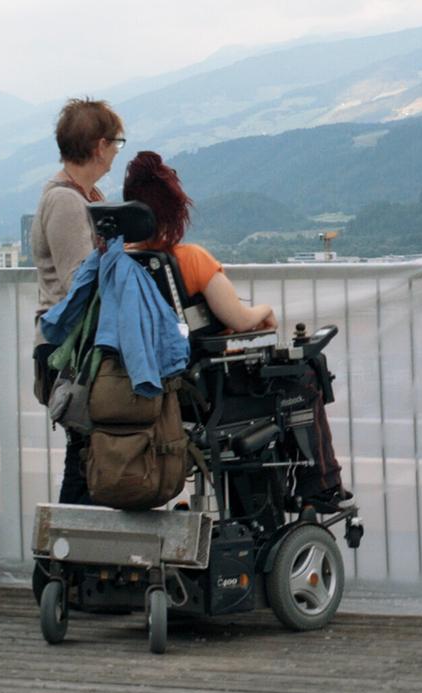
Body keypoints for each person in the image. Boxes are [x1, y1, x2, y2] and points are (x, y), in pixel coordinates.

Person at [122, 151, 354, 511]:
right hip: (212, 390)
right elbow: (241, 320)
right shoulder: (191, 259)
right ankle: (321, 485)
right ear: (172, 212)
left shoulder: (121, 264)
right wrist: (266, 312)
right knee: (306, 373)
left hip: (164, 392)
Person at [31, 97, 126, 505]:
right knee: (84, 455)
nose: (117, 153)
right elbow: (78, 281)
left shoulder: (86, 194)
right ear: (100, 146)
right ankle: (59, 561)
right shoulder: (67, 202)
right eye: (117, 143)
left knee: (88, 454)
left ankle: (67, 560)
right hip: (70, 349)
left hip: (79, 346)